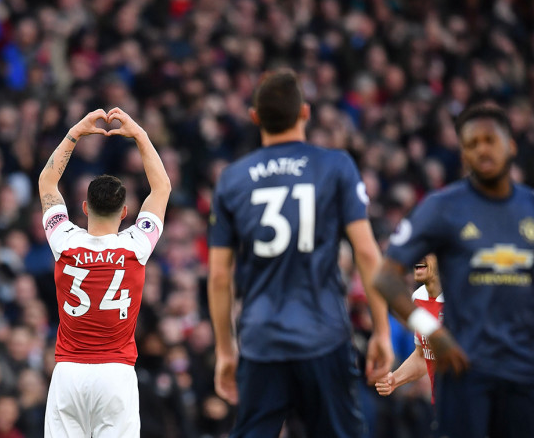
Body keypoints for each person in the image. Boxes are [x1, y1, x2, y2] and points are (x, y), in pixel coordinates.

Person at [207, 69, 393, 437]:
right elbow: (368, 254)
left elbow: (218, 276)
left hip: (261, 341)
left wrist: (226, 351)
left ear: (254, 117)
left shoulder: (232, 178)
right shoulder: (336, 165)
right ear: (305, 113)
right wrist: (382, 332)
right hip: (323, 335)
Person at [374, 104, 534, 437]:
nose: (482, 149)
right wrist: (432, 331)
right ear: (462, 154)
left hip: (524, 371)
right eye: (472, 144)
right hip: (466, 370)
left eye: (490, 140)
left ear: (511, 146)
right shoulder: (442, 207)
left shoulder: (530, 207)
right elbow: (385, 277)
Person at [38, 107, 170, 437]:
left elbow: (47, 181)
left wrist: (75, 133)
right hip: (115, 374)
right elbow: (162, 188)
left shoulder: (63, 241)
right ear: (125, 212)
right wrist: (139, 134)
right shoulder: (136, 245)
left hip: (68, 373)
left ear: (84, 207)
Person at [375, 254, 443, 402]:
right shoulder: (418, 298)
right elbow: (422, 356)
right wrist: (394, 379)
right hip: (438, 406)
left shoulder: (458, 299)